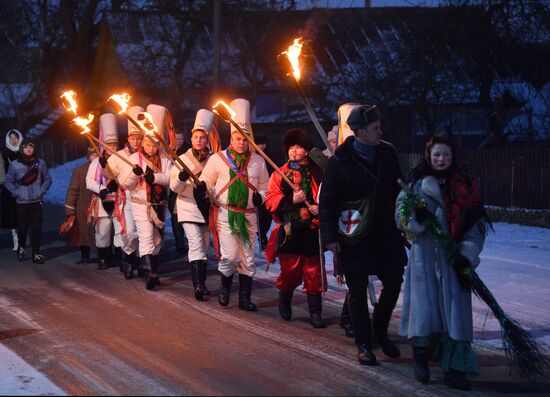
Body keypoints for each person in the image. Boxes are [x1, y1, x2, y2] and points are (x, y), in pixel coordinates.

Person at [396, 134, 490, 390]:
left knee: (455, 317)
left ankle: (455, 368)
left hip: (454, 261)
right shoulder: (415, 184)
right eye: (437, 154)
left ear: (453, 156)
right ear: (429, 155)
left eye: (446, 154)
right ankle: (421, 358)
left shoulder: (465, 186)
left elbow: (476, 225)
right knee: (425, 313)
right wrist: (417, 220)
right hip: (424, 260)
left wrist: (466, 253)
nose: (441, 159)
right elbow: (401, 215)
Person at [319, 104, 407, 366]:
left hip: (386, 233)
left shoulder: (388, 153)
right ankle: (364, 344)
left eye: (380, 126)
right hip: (354, 234)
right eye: (375, 128)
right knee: (356, 291)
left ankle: (379, 329)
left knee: (393, 281)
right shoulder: (339, 161)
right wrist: (331, 238)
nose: (380, 131)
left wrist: (407, 214)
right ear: (359, 132)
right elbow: (328, 202)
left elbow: (399, 187)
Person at [199, 98, 269, 311]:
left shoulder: (258, 161)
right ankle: (225, 288)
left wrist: (262, 197)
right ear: (232, 138)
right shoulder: (217, 159)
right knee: (229, 256)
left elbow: (266, 186)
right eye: (238, 138)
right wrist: (201, 188)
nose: (241, 143)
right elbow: (205, 182)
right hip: (225, 214)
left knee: (248, 258)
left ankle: (245, 299)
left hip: (248, 215)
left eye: (245, 139)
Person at [265, 128, 327, 328]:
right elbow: (270, 200)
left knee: (313, 272)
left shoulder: (318, 171)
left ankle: (315, 312)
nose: (294, 151)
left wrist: (320, 207)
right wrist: (291, 199)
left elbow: (328, 194)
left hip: (312, 230)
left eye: (299, 147)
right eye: (291, 147)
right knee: (290, 272)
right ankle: (284, 300)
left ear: (306, 150)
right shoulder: (279, 173)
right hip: (290, 232)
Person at [121, 104, 173, 290]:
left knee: (158, 238)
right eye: (148, 144)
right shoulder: (134, 160)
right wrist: (135, 174)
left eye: (154, 145)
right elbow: (125, 184)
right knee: (146, 236)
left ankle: (153, 268)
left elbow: (170, 179)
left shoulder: (166, 159)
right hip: (140, 202)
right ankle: (149, 272)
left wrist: (156, 177)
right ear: (143, 143)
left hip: (159, 203)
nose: (151, 148)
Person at [170, 109, 214, 300]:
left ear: (207, 140)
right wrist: (181, 178)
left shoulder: (213, 160)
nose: (199, 140)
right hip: (187, 206)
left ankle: (202, 283)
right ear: (192, 137)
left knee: (204, 246)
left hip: (205, 209)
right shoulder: (183, 159)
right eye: (196, 137)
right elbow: (173, 186)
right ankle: (198, 285)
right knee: (195, 244)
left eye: (202, 138)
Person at [102, 106, 142, 276]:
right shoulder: (119, 155)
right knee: (129, 231)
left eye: (139, 138)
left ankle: (140, 262)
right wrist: (105, 166)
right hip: (126, 198)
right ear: (128, 139)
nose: (136, 142)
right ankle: (127, 258)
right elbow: (109, 174)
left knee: (143, 232)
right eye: (133, 138)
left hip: (143, 198)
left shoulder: (146, 154)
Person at [4, 137, 52, 264]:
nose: (28, 149)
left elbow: (47, 179)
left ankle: (36, 253)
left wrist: (41, 191)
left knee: (36, 228)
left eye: (31, 147)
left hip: (37, 202)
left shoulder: (41, 163)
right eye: (25, 147)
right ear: (22, 149)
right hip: (22, 202)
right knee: (23, 228)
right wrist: (16, 192)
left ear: (34, 148)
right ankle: (21, 247)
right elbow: (8, 181)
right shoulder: (14, 165)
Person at [86, 114, 122, 270]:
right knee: (103, 230)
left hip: (119, 200)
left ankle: (121, 257)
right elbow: (89, 181)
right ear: (103, 145)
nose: (112, 148)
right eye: (109, 145)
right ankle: (103, 258)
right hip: (102, 200)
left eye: (114, 145)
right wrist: (102, 189)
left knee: (121, 229)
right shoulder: (96, 161)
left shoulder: (122, 160)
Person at [64, 147, 97, 263]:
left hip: (98, 204)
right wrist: (70, 210)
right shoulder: (80, 171)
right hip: (83, 205)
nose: (95, 158)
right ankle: (85, 254)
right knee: (84, 231)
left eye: (97, 155)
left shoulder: (104, 169)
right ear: (89, 157)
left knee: (101, 230)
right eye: (93, 155)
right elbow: (73, 190)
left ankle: (105, 255)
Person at [168, 129, 190, 255]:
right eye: (177, 139)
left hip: (184, 186)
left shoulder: (187, 151)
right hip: (172, 188)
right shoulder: (167, 150)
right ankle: (179, 242)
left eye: (181, 139)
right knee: (174, 217)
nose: (179, 141)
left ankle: (186, 241)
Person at [1, 129, 23, 251]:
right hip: (9, 188)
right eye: (11, 138)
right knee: (12, 214)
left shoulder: (26, 151)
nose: (14, 140)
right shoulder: (4, 153)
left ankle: (23, 235)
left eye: (16, 138)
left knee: (24, 213)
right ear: (8, 140)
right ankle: (16, 237)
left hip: (25, 187)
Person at [254, 133, 272, 250]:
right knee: (259, 217)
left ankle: (263, 234)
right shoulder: (253, 157)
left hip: (269, 190)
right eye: (259, 144)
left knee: (267, 216)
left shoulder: (270, 156)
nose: (261, 146)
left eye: (263, 144)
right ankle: (261, 237)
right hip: (256, 191)